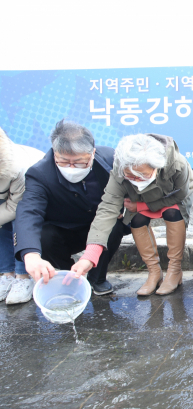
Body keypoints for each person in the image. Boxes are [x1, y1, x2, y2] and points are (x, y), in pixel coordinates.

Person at [70, 133, 193, 296]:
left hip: (171, 196)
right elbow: (108, 207)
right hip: (139, 198)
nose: (136, 179)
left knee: (173, 214)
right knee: (137, 220)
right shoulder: (119, 170)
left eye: (142, 175)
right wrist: (90, 254)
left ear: (156, 167)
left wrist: (142, 205)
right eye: (130, 176)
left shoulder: (177, 165)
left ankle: (175, 271)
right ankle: (154, 273)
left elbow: (180, 195)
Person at [14, 119, 129, 295]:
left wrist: (124, 209)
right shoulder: (39, 174)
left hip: (101, 225)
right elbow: (29, 211)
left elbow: (129, 192)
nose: (72, 168)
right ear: (55, 154)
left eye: (80, 162)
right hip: (64, 230)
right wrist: (30, 255)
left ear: (93, 153)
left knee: (114, 225)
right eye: (64, 162)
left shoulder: (110, 160)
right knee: (45, 236)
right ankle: (69, 278)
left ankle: (97, 279)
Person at [0, 128, 44, 304]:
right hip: (5, 195)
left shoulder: (17, 166)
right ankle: (7, 274)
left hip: (26, 196)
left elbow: (17, 206)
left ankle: (23, 277)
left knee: (18, 221)